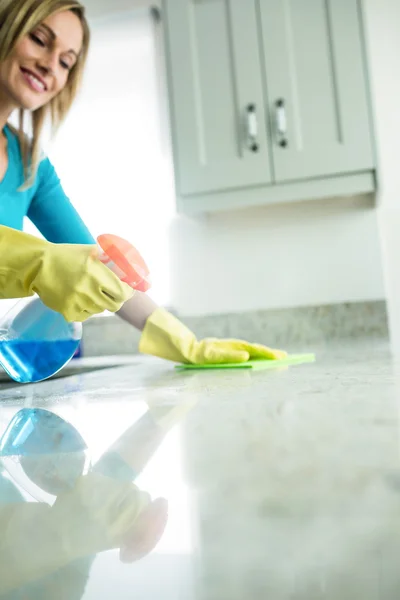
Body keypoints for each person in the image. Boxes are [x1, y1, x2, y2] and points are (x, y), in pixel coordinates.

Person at [0, 0, 286, 365]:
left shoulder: (30, 166)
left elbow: (100, 264)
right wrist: (39, 261)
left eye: (66, 62)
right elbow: (52, 263)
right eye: (40, 40)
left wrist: (184, 342)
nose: (50, 65)